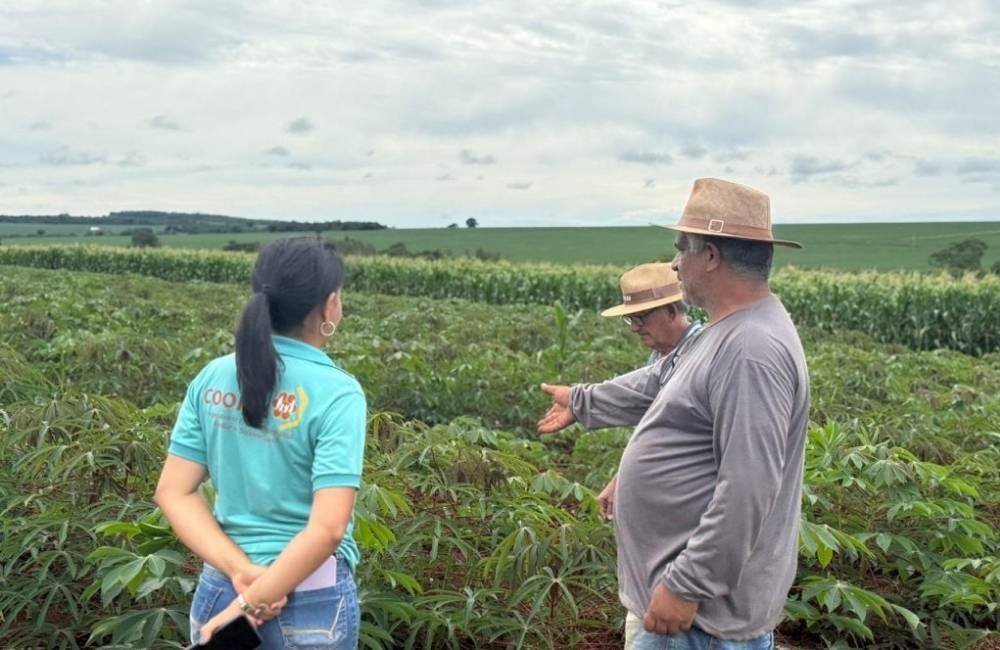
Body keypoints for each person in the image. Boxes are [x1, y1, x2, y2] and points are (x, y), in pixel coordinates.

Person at [538, 178, 808, 650]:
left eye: (682, 248)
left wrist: (688, 585)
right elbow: (659, 380)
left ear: (711, 256)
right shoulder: (723, 334)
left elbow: (748, 486)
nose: (674, 262)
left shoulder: (751, 350)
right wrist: (582, 401)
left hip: (701, 620)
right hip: (690, 612)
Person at [155, 237, 366, 649]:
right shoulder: (339, 392)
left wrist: (240, 574)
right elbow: (328, 529)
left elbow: (173, 492)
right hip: (308, 600)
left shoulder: (213, 376)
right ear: (330, 305)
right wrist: (252, 601)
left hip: (221, 588)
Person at [539, 262, 702, 519]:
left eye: (640, 317)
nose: (634, 327)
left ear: (671, 311)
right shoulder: (659, 358)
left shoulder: (699, 357)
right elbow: (651, 430)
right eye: (630, 319)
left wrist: (578, 399)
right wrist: (621, 480)